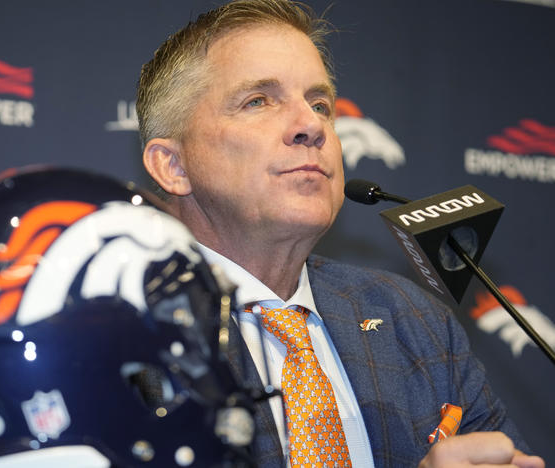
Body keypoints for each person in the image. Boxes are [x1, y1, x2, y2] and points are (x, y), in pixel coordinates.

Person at [136, 0, 545, 467]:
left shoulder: (412, 318)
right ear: (174, 165)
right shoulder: (116, 334)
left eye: (320, 104)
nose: (312, 125)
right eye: (258, 101)